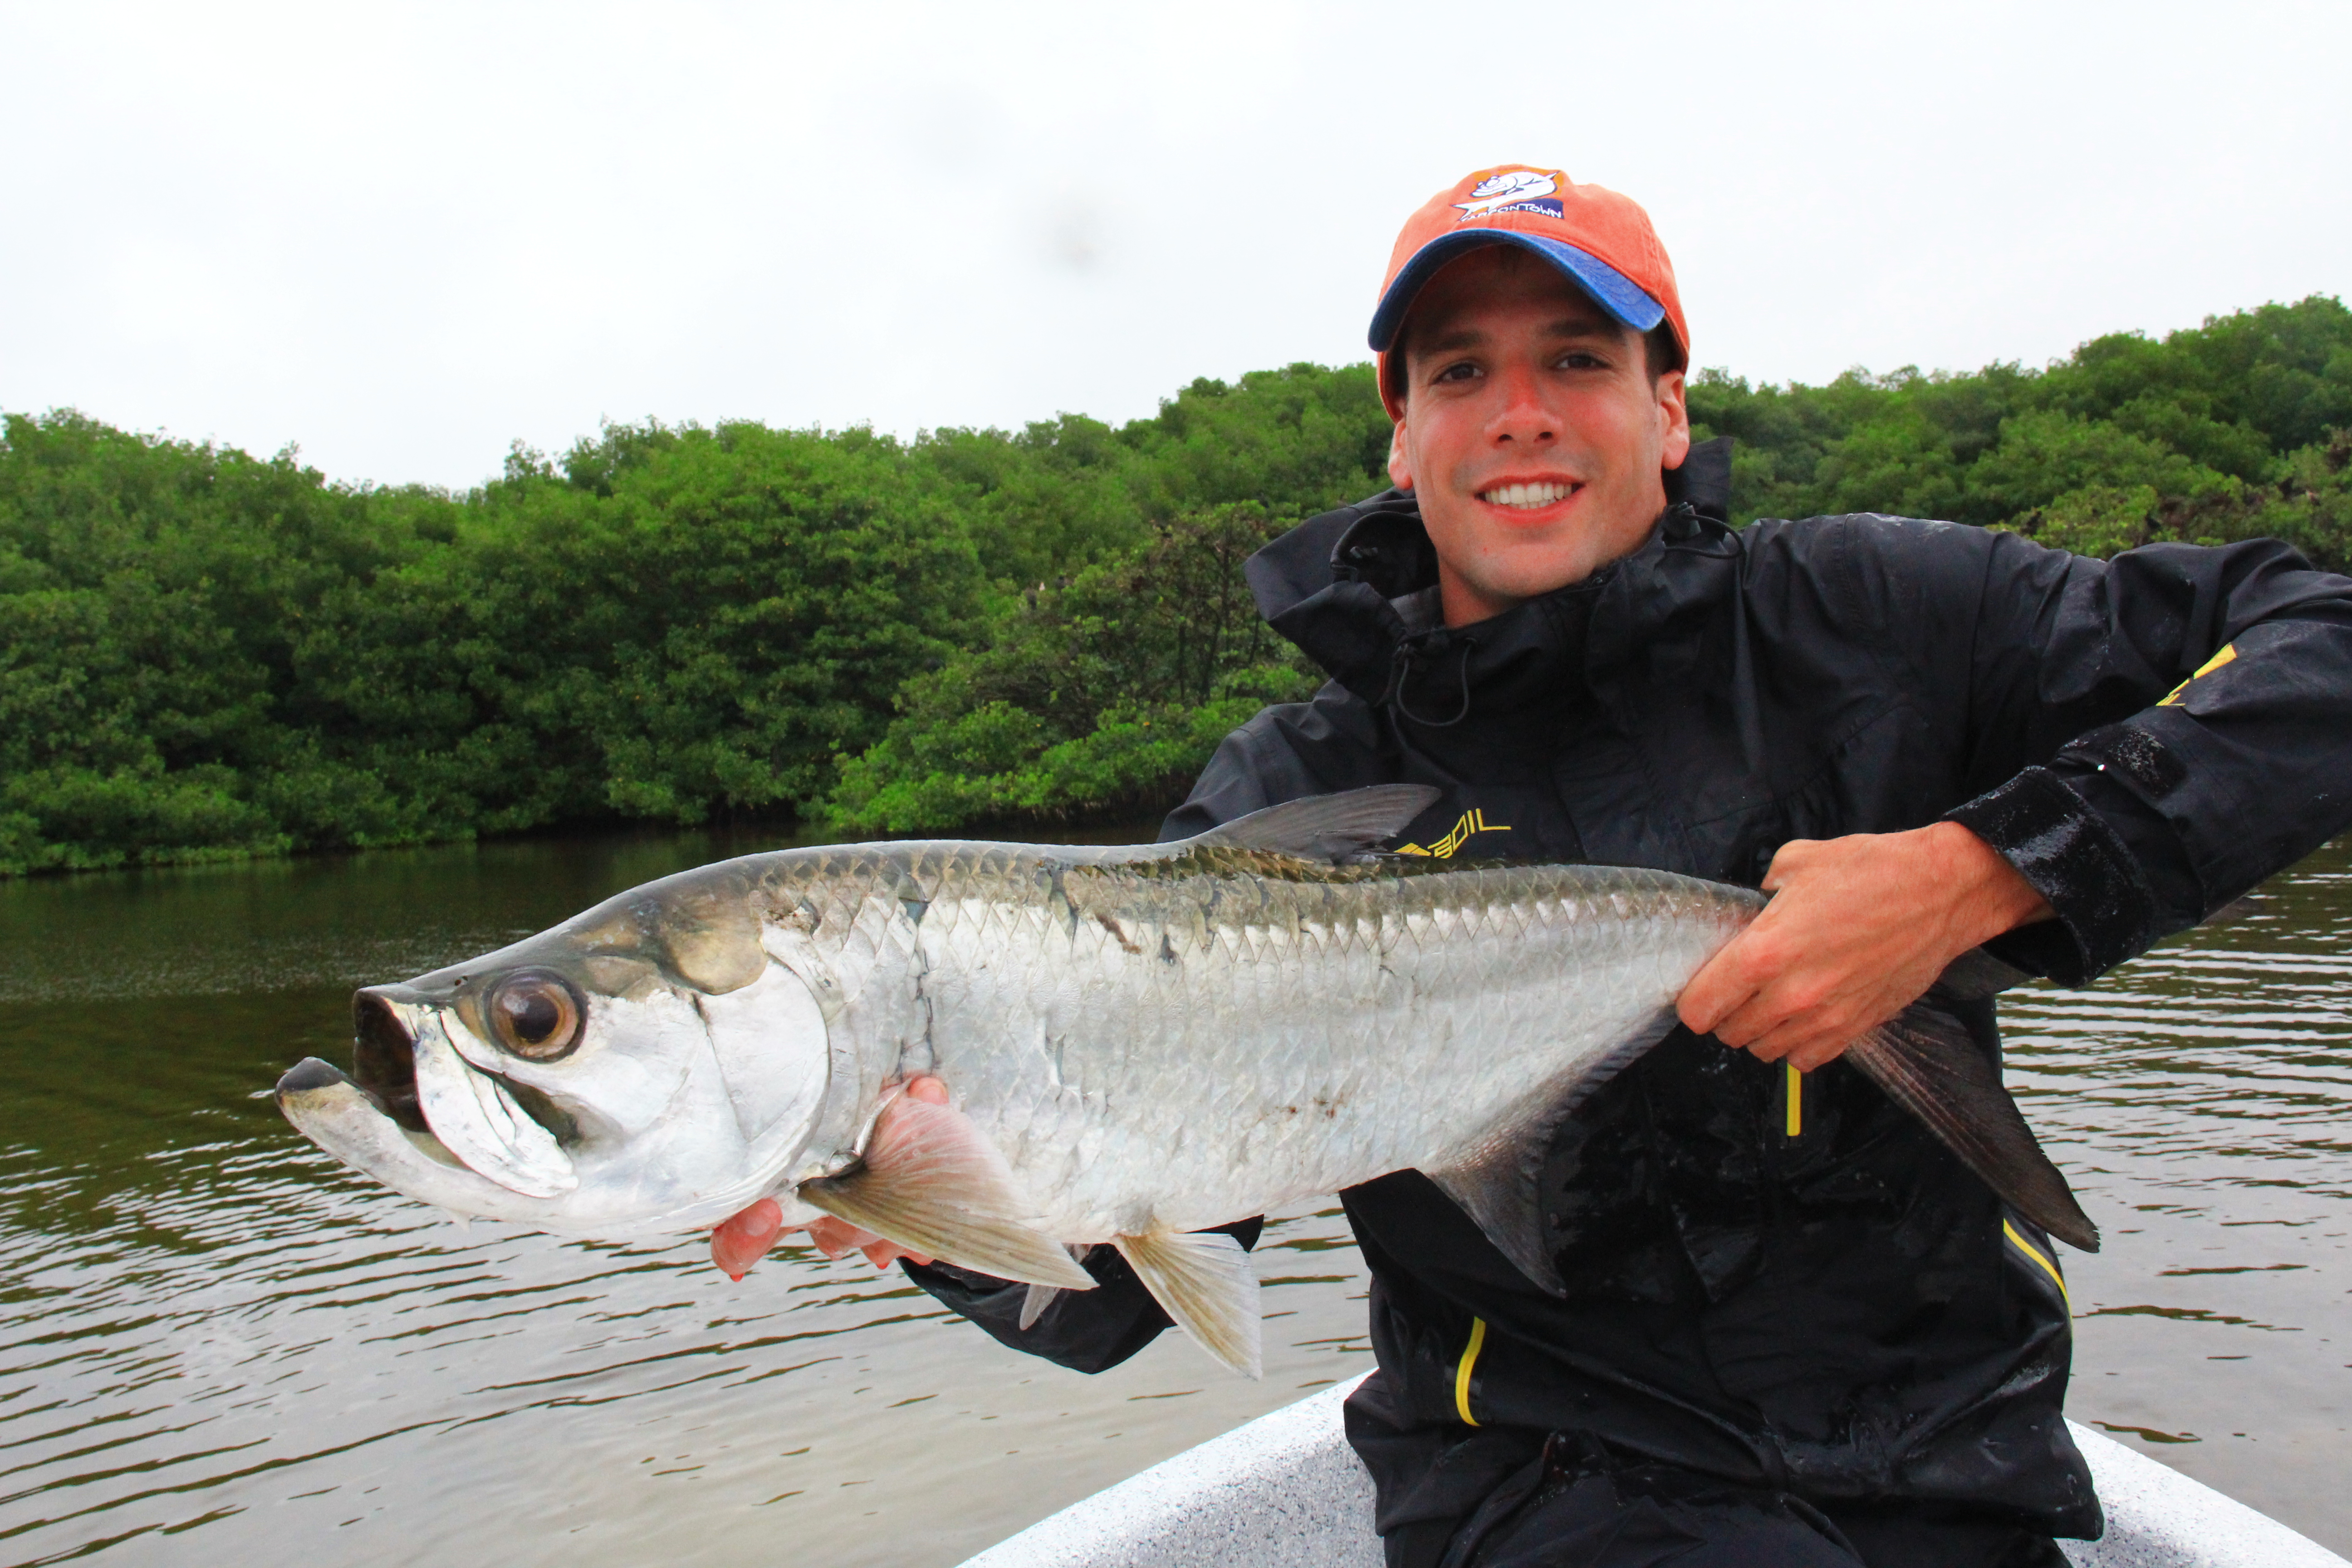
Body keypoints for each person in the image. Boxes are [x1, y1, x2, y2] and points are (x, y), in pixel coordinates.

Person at [712, 166, 2352, 1566]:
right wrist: (927, 1199)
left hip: (1945, 1496)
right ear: (1402, 434)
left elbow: (2323, 646)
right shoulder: (1295, 789)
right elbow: (1107, 1305)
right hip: (1527, 1512)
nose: (1520, 415)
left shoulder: (1891, 617)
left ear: (1670, 401)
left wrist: (1987, 870)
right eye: (1457, 371)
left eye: (1577, 356)